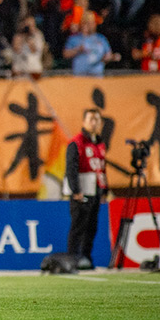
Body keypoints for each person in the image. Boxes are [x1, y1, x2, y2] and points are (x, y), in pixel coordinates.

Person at [63, 109, 107, 270]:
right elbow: (71, 168)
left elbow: (102, 168)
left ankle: (86, 258)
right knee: (78, 226)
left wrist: (104, 189)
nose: (94, 123)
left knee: (91, 227)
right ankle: (72, 260)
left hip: (95, 191)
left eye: (97, 119)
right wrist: (76, 190)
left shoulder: (100, 144)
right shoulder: (76, 142)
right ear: (84, 122)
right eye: (90, 119)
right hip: (81, 192)